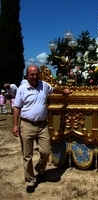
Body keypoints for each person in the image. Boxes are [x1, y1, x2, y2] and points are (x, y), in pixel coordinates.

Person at [12, 65, 73, 193]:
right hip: (27, 125)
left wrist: (64, 92)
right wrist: (15, 125)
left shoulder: (44, 85)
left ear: (39, 74)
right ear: (27, 75)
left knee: (45, 152)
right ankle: (30, 180)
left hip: (42, 125)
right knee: (27, 155)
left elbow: (53, 89)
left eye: (36, 74)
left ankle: (40, 170)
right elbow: (16, 107)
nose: (34, 77)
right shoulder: (22, 89)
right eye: (31, 74)